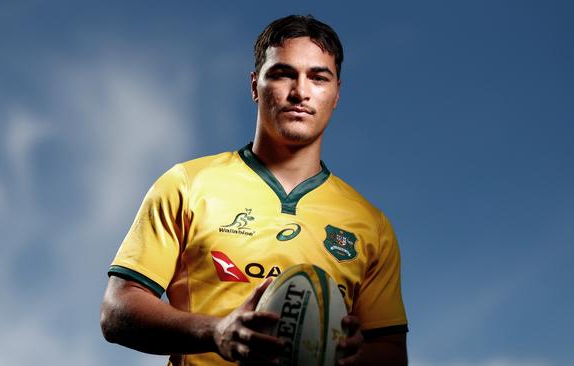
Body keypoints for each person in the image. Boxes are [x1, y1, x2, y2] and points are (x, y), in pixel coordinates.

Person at [100, 15, 408, 366]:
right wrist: (215, 333)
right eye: (282, 74)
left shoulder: (370, 225)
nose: (300, 92)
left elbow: (392, 353)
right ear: (254, 85)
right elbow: (117, 309)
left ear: (336, 93)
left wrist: (355, 356)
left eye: (318, 77)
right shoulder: (188, 184)